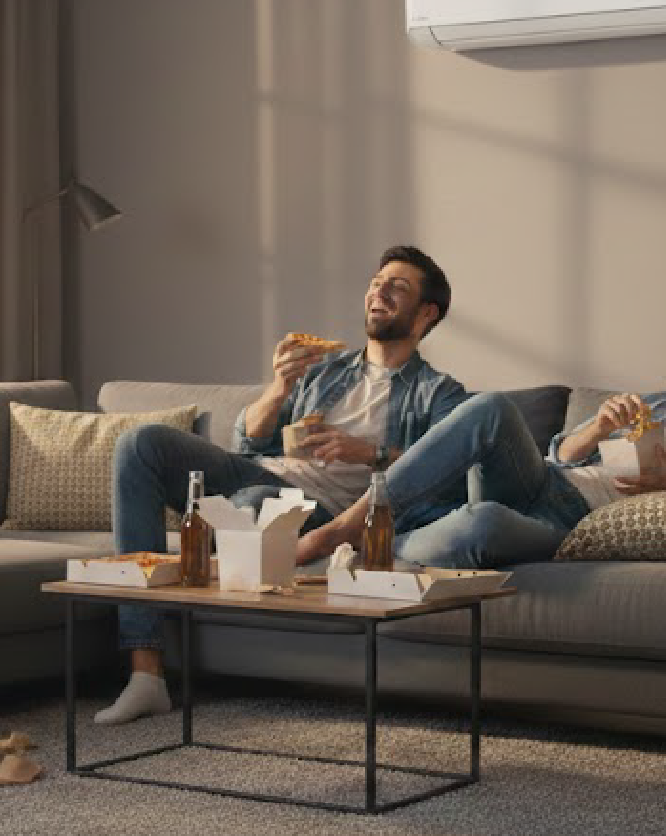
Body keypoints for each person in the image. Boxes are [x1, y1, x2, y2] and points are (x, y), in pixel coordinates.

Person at [96, 246, 468, 725]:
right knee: (139, 444)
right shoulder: (325, 370)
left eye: (397, 286)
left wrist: (368, 452)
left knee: (252, 504)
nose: (379, 291)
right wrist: (277, 389)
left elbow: (446, 473)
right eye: (377, 282)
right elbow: (249, 444)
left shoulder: (439, 393)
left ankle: (221, 537)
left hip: (326, 512)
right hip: (265, 475)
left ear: (425, 313)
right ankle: (146, 672)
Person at [295, 298, 666, 569]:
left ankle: (377, 548)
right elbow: (558, 453)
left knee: (484, 524)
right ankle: (346, 529)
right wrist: (597, 428)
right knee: (491, 407)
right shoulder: (651, 406)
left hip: (573, 524)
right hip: (542, 483)